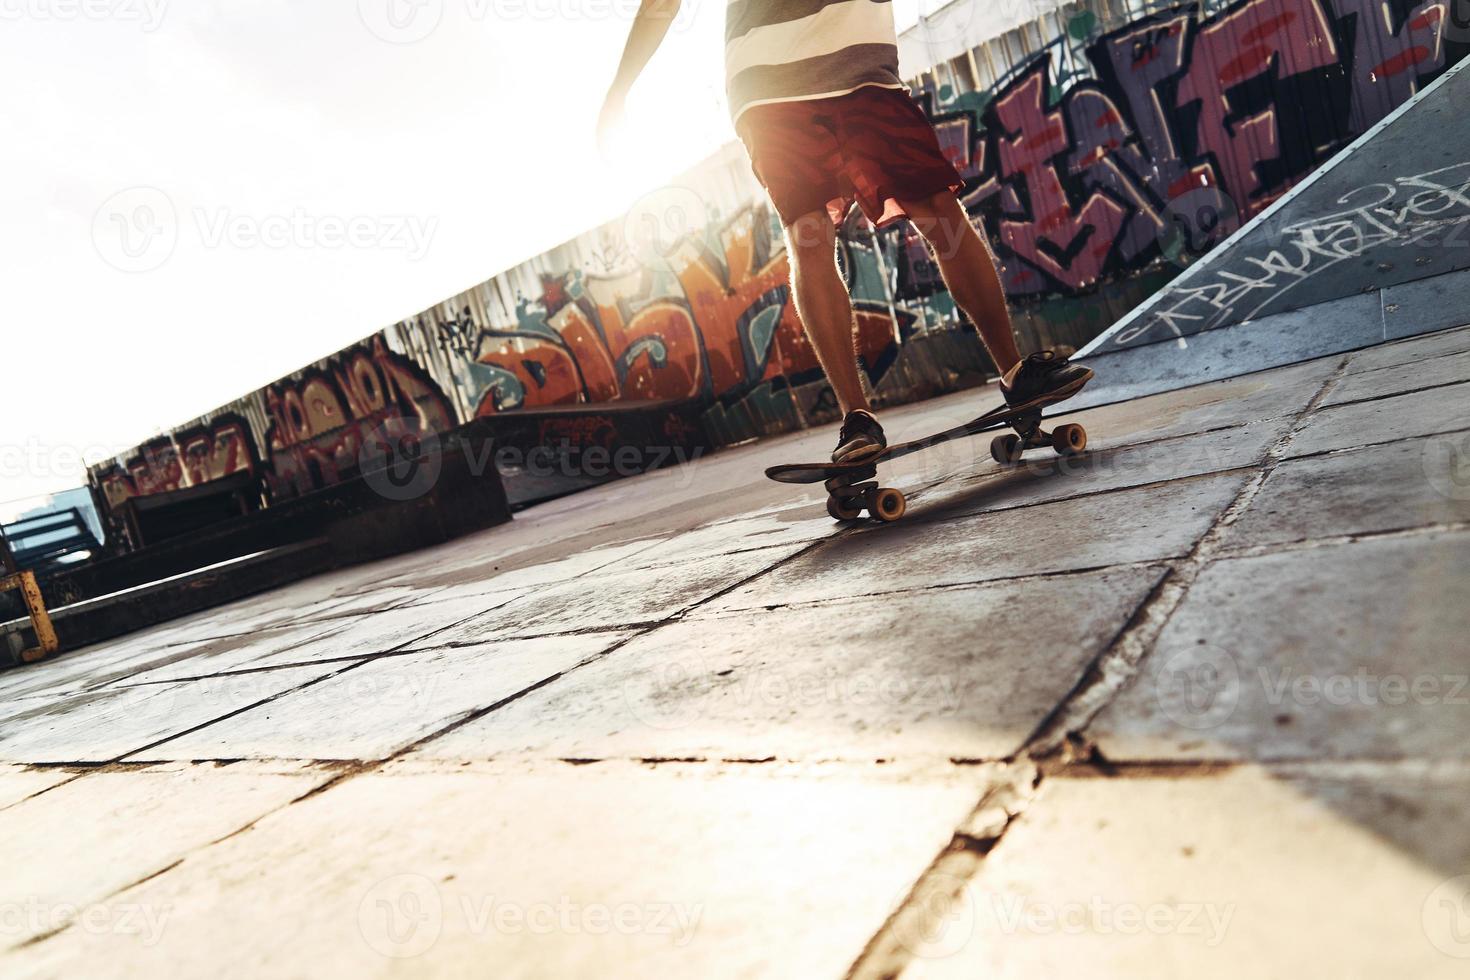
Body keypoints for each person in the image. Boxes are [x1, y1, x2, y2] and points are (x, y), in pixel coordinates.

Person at [598, 0, 1093, 464]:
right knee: (809, 234)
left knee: (938, 207)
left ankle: (1016, 373)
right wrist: (620, 88)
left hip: (864, 67)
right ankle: (856, 418)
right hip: (768, 86)